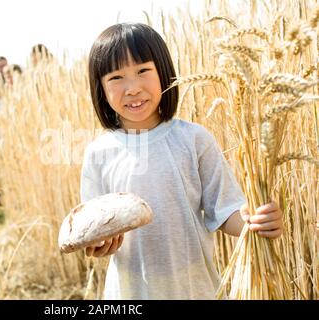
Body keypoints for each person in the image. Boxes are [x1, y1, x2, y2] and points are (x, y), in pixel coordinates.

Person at [81, 23, 284, 299]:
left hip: (194, 288)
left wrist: (255, 223)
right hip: (131, 292)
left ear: (164, 73)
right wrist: (99, 244)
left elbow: (225, 212)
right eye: (116, 77)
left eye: (143, 71)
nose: (132, 88)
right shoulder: (98, 153)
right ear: (101, 89)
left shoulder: (193, 139)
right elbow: (93, 230)